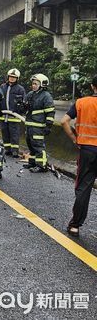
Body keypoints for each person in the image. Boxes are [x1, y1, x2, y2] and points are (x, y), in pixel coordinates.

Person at [61, 75, 97, 237]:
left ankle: (75, 225)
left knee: (83, 187)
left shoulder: (81, 102)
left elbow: (64, 121)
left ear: (92, 86)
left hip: (87, 150)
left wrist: (75, 139)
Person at [23, 73, 55, 172]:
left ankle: (42, 166)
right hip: (29, 125)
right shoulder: (30, 94)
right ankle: (32, 163)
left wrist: (48, 126)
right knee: (30, 144)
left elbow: (50, 112)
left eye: (36, 84)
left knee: (38, 146)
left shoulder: (46, 96)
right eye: (33, 83)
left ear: (42, 85)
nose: (33, 85)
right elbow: (25, 107)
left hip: (38, 127)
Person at [0, 68, 26, 158]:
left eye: (14, 77)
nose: (12, 79)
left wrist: (20, 110)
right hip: (3, 116)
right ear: (8, 77)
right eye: (11, 77)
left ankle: (15, 151)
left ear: (17, 78)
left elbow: (23, 102)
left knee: (14, 134)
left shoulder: (20, 89)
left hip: (14, 116)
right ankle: (7, 149)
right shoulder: (2, 87)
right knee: (5, 133)